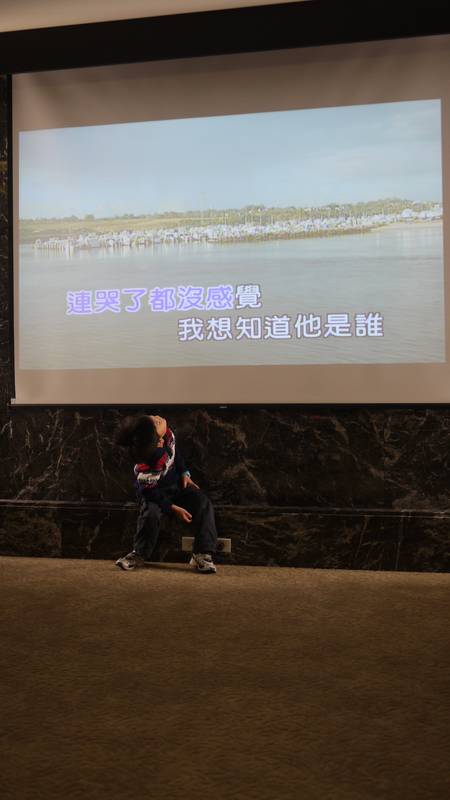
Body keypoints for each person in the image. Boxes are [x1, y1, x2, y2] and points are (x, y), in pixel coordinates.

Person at [115, 413, 218, 574]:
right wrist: (172, 508)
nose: (157, 417)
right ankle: (139, 553)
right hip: (154, 494)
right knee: (151, 514)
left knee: (203, 503)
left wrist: (184, 473)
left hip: (175, 486)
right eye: (156, 422)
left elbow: (175, 454)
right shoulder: (146, 469)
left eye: (153, 418)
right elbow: (149, 492)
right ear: (158, 442)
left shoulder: (167, 435)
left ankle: (203, 553)